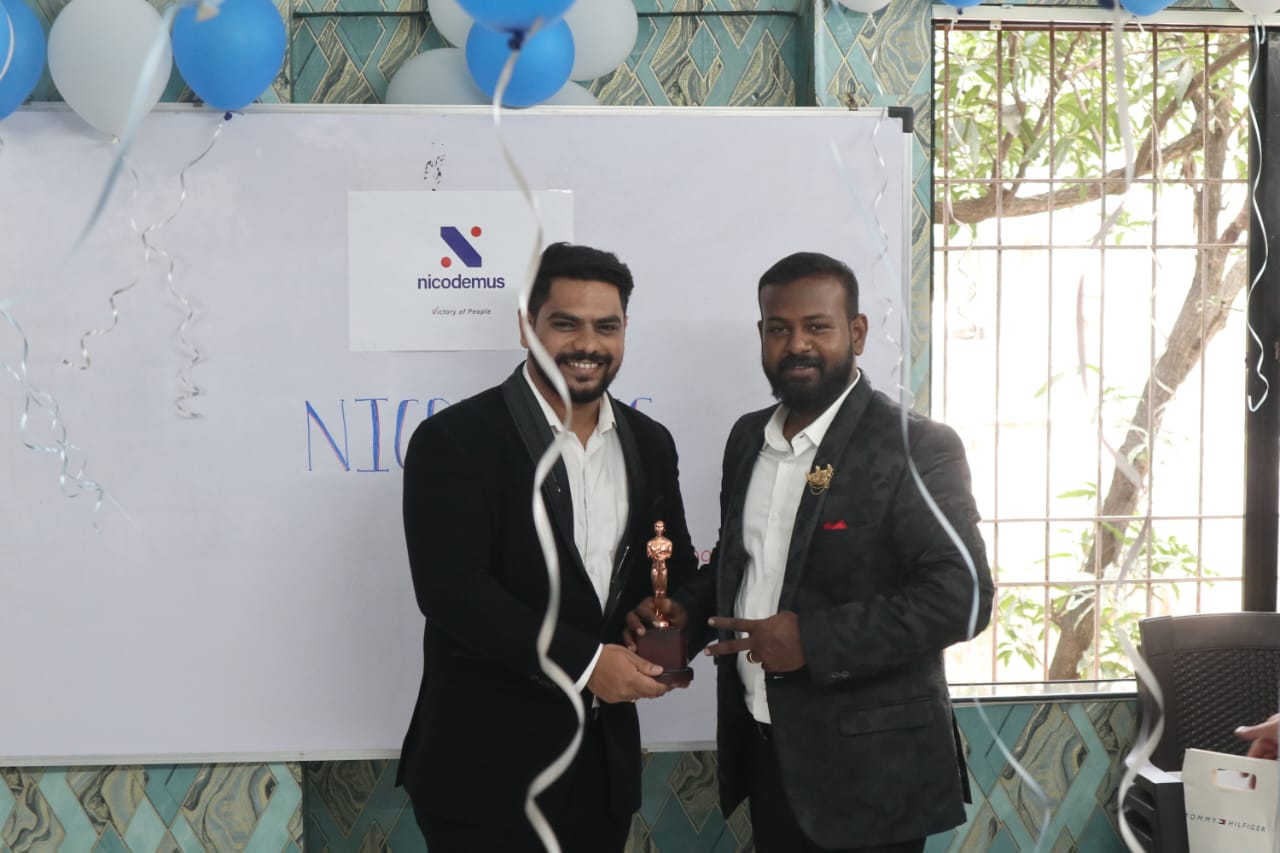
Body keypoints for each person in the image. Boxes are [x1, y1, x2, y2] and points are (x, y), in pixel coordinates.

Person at [627, 251, 993, 852]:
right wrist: (683, 614)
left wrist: (812, 641)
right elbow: (743, 564)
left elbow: (964, 597)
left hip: (874, 773)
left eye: (817, 327)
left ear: (857, 333)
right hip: (768, 749)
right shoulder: (748, 437)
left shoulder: (916, 446)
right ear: (762, 335)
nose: (797, 344)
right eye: (779, 328)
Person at [397, 242, 697, 853]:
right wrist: (588, 665)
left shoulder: (650, 442)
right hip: (485, 782)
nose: (588, 344)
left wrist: (661, 617)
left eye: (606, 326)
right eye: (566, 324)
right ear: (526, 326)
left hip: (603, 778)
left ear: (625, 329)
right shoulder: (454, 440)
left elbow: (674, 565)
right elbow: (454, 593)